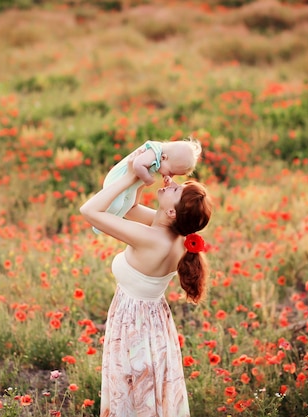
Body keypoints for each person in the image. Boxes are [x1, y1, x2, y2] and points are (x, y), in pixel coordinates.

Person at [80, 148, 212, 417]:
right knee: (146, 394)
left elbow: (89, 210)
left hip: (134, 324)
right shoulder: (172, 235)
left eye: (176, 190)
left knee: (135, 395)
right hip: (151, 322)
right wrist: (145, 175)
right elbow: (129, 208)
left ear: (173, 213)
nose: (172, 182)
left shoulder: (153, 238)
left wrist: (130, 176)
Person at [92, 138, 202, 235]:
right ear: (164, 157)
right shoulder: (154, 151)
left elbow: (132, 208)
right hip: (117, 179)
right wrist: (147, 179)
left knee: (128, 204)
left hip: (129, 184)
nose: (170, 176)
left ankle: (106, 223)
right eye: (171, 172)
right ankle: (98, 225)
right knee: (116, 204)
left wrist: (161, 176)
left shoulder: (162, 159)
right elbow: (137, 164)